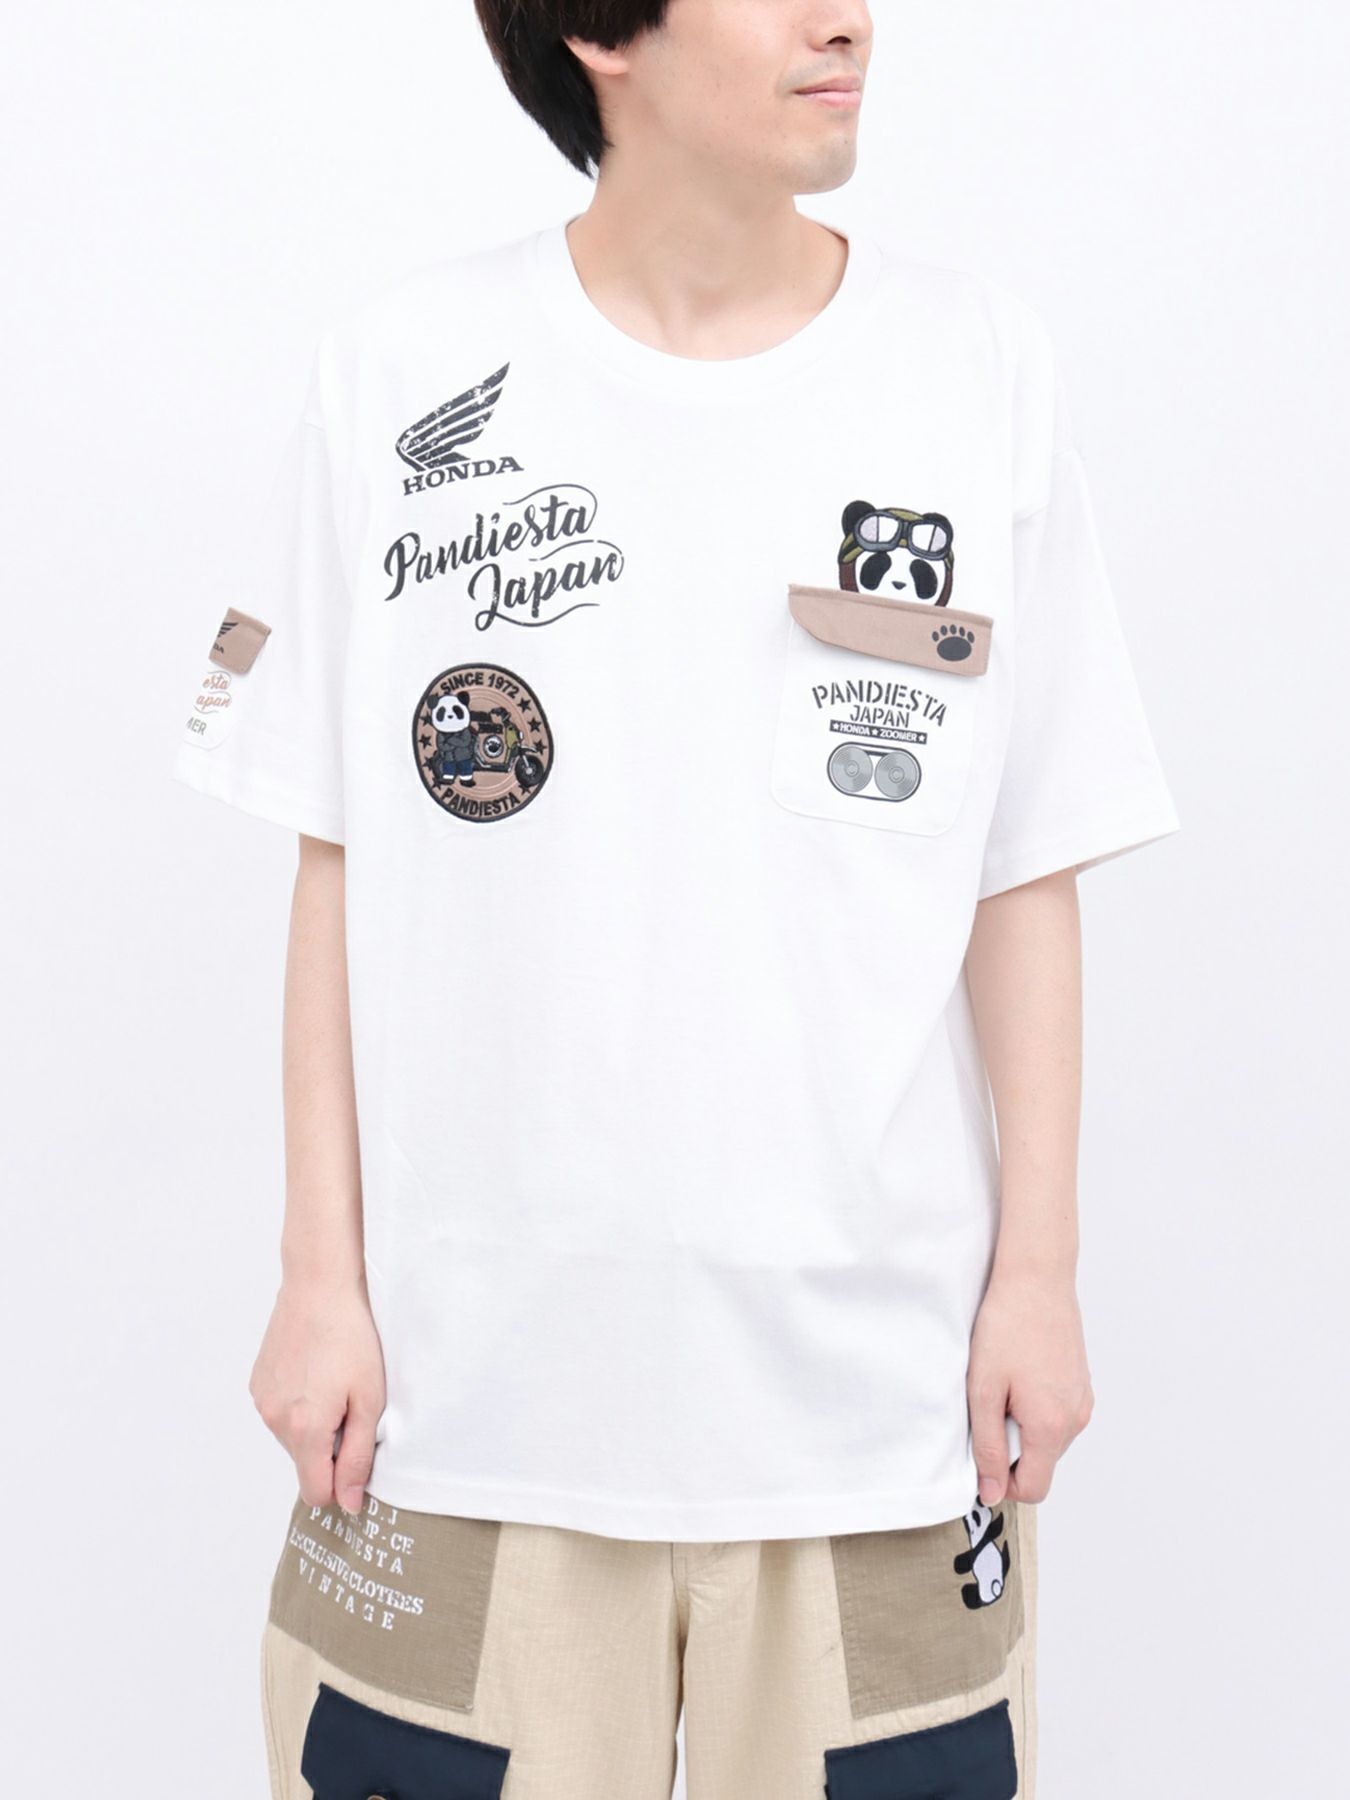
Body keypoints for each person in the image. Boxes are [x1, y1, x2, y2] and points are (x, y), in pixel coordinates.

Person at [171, 4, 1181, 1796]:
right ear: (595, 29)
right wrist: (317, 1277)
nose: (845, 17)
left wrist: (1039, 1274)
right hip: (461, 1412)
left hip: (879, 1421)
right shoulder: (400, 373)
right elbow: (334, 854)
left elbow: (1024, 861)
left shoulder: (973, 368)